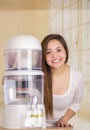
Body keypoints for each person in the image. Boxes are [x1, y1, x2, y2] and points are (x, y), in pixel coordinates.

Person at [41, 34, 85, 127]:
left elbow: (76, 103)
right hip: (35, 124)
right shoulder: (37, 75)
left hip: (60, 126)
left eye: (58, 50)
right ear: (43, 56)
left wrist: (64, 119)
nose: (54, 56)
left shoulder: (77, 77)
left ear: (66, 52)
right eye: (48, 52)